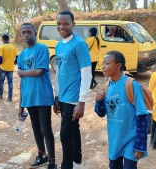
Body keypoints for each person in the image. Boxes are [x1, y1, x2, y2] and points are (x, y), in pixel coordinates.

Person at [94, 50, 148, 168]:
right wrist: (99, 101)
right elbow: (101, 113)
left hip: (131, 140)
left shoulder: (131, 84)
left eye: (107, 63)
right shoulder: (106, 87)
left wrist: (140, 145)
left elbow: (142, 115)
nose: (103, 66)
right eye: (103, 63)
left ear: (118, 66)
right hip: (115, 139)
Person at [53, 10, 92, 169]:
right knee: (73, 130)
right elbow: (58, 73)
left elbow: (86, 74)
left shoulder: (79, 44)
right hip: (62, 96)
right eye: (59, 24)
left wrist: (81, 101)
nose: (62, 27)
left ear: (73, 25)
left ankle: (67, 165)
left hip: (73, 98)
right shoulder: (58, 45)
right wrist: (56, 97)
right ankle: (77, 162)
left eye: (66, 24)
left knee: (65, 135)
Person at [17, 22, 57, 169]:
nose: (26, 35)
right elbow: (22, 83)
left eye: (29, 32)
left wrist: (21, 72)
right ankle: (42, 155)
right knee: (35, 127)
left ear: (35, 33)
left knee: (46, 128)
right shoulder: (21, 55)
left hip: (43, 95)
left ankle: (52, 161)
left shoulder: (41, 48)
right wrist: (20, 105)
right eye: (23, 32)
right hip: (29, 96)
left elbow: (39, 71)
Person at [0, 34, 18, 101]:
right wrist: (15, 62)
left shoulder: (1, 47)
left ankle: (0, 95)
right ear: (8, 39)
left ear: (2, 39)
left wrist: (0, 63)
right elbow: (17, 56)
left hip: (3, 67)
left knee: (1, 81)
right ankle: (10, 97)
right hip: (10, 68)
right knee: (10, 82)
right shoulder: (13, 47)